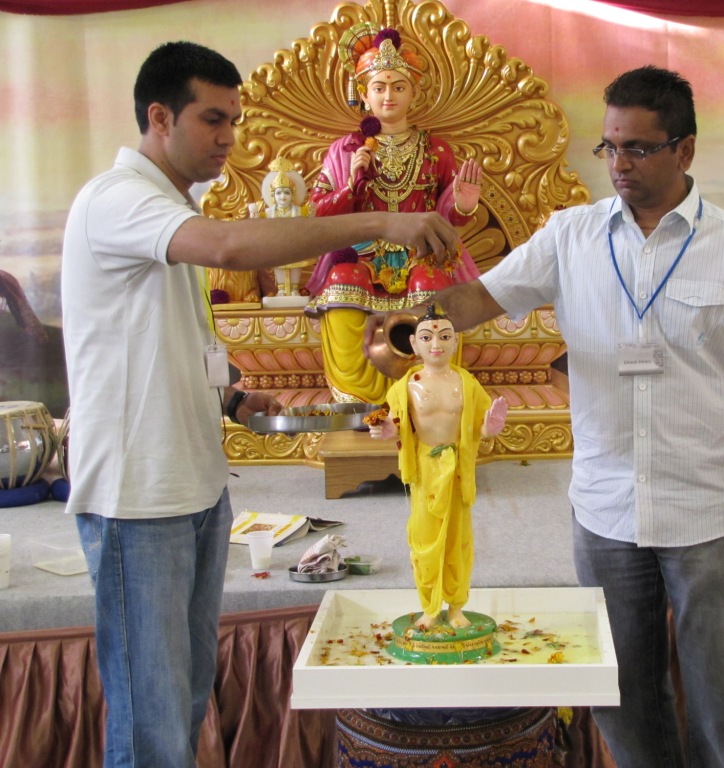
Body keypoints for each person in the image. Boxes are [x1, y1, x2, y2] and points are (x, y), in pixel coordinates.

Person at [366, 66, 724, 767]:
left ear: (684, 151)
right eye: (610, 148)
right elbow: (479, 301)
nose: (619, 164)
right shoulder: (571, 236)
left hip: (706, 507)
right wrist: (408, 323)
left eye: (639, 149)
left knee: (722, 701)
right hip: (606, 508)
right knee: (620, 695)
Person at [61, 40, 459, 768]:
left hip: (193, 484)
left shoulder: (166, 209)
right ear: (159, 116)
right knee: (152, 719)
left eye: (234, 121)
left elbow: (163, 339)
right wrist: (380, 222)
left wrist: (233, 396)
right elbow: (236, 248)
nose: (229, 140)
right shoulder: (117, 200)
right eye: (213, 120)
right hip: (136, 496)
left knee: (181, 703)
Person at [305, 24, 483, 405]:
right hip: (358, 253)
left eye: (398, 86)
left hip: (421, 252)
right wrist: (351, 184)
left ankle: (428, 390)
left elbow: (445, 215)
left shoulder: (436, 150)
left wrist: (463, 204)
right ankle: (358, 395)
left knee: (431, 283)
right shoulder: (344, 150)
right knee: (342, 280)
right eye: (380, 87)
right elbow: (318, 213)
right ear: (364, 95)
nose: (389, 96)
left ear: (414, 93)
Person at [369, 304, 507, 630]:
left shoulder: (466, 383)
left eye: (445, 337)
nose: (437, 344)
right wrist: (388, 430)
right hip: (425, 467)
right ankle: (429, 607)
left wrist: (491, 426)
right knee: (424, 538)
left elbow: (480, 425)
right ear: (414, 345)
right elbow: (396, 423)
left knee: (459, 539)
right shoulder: (406, 386)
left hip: (457, 467)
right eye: (428, 337)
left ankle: (456, 606)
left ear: (455, 342)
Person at [247, 158, 316, 297]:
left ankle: (295, 289)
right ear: (273, 195)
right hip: (277, 245)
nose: (282, 196)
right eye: (279, 193)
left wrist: (311, 212)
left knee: (295, 266)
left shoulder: (298, 210)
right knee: (279, 266)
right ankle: (282, 289)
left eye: (286, 192)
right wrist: (254, 213)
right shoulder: (269, 212)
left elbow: (310, 224)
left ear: (293, 195)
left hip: (295, 244)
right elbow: (258, 224)